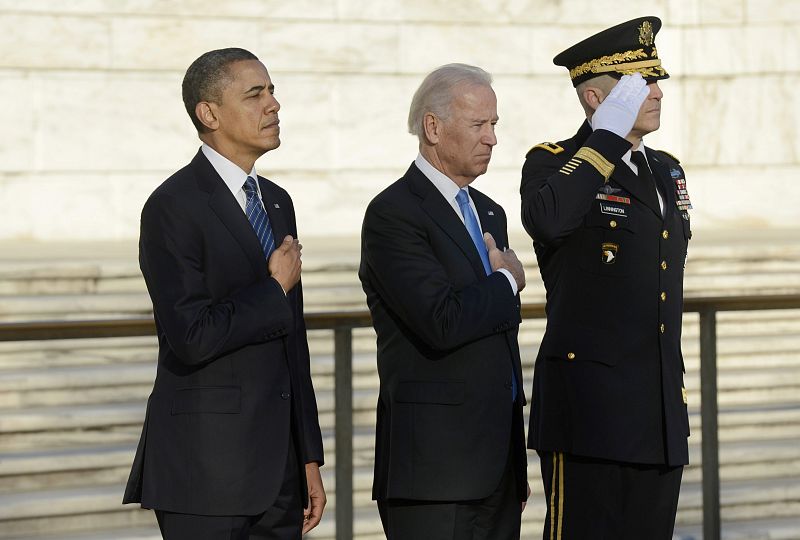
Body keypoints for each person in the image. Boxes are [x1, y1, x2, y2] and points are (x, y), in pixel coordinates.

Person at [122, 48, 326, 540]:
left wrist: (309, 454)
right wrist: (274, 288)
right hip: (204, 473)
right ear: (208, 113)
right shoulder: (173, 205)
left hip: (279, 473)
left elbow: (291, 342)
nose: (273, 105)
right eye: (255, 94)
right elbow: (192, 334)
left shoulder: (277, 201)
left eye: (273, 91)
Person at [520, 16, 692, 539]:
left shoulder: (667, 170)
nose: (658, 93)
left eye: (656, 81)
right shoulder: (554, 164)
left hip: (657, 410)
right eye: (640, 85)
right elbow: (549, 220)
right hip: (590, 411)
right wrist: (606, 141)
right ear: (597, 98)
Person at [359, 63, 530, 540]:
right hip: (435, 473)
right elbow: (441, 319)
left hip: (497, 466)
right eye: (479, 125)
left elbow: (499, 336)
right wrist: (505, 281)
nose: (492, 138)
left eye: (494, 124)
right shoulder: (393, 213)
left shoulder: (489, 210)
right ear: (432, 127)